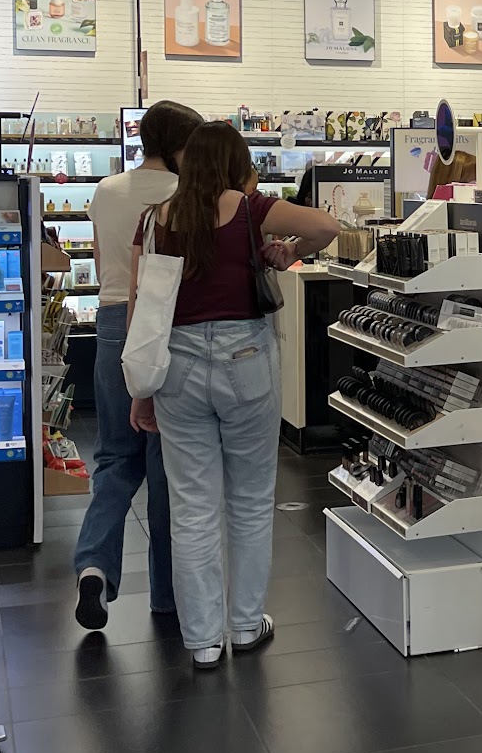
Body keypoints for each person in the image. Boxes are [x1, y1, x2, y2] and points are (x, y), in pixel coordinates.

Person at [128, 121, 341, 669]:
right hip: (245, 360)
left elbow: (141, 309)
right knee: (249, 500)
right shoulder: (250, 209)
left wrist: (141, 390)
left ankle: (201, 640)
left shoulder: (155, 219)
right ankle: (245, 625)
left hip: (174, 365)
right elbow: (327, 226)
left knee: (191, 506)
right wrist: (287, 251)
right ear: (235, 164)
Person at [73, 99, 203, 632]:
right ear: (178, 147)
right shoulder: (185, 195)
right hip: (165, 326)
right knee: (166, 466)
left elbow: (100, 262)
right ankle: (167, 596)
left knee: (113, 458)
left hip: (110, 322)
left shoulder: (107, 190)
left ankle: (93, 568)